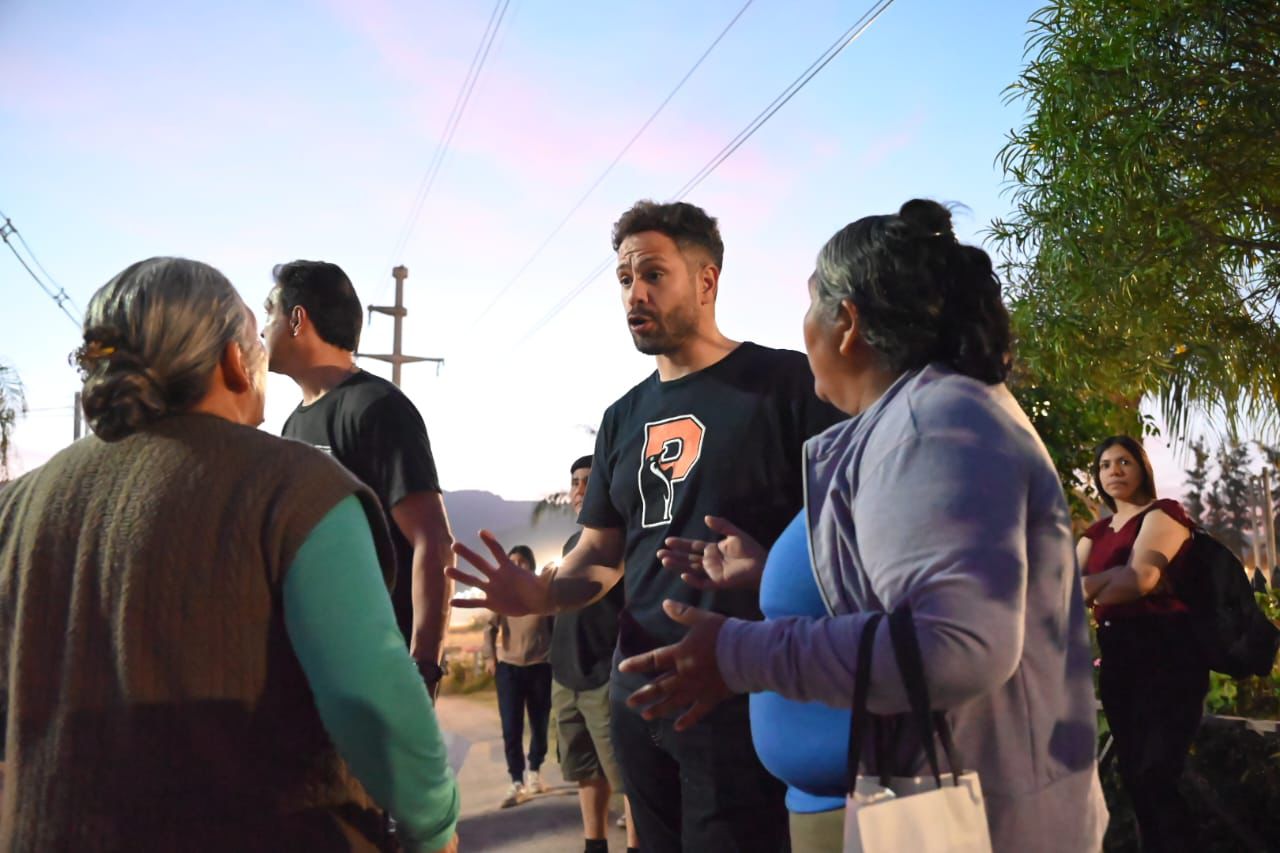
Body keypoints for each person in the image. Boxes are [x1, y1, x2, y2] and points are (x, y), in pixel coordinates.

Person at [618, 200, 1108, 852]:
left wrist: (740, 654)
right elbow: (905, 587)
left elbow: (958, 646)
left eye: (810, 301)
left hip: (969, 823)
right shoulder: (910, 422)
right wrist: (770, 573)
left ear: (846, 322)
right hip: (905, 808)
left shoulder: (934, 423)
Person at [0, 258, 458, 852]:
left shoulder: (20, 504)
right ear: (232, 362)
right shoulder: (297, 488)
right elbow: (372, 700)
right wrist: (435, 825)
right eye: (253, 333)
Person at [451, 200, 844, 851]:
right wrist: (546, 592)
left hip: (741, 697)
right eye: (625, 279)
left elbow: (842, 535)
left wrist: (770, 563)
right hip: (636, 702)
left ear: (707, 280)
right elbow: (603, 551)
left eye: (653, 274)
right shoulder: (621, 417)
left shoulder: (786, 385)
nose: (634, 293)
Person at [263, 261, 455, 694]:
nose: (261, 330)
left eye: (269, 312)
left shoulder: (377, 407)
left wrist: (424, 667)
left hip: (376, 673)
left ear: (297, 320)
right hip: (317, 670)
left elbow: (434, 541)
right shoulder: (293, 426)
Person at [1080, 435, 1206, 852]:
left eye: (1124, 462)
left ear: (1141, 469)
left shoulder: (1163, 514)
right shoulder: (1095, 533)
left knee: (1157, 773)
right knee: (1135, 775)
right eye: (1104, 465)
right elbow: (1059, 588)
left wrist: (1092, 586)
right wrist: (1104, 583)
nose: (1113, 471)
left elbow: (1138, 582)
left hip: (1168, 654)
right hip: (1119, 656)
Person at [549, 455, 637, 853]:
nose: (580, 490)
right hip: (566, 676)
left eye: (588, 482)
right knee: (586, 771)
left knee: (628, 777)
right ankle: (594, 845)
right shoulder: (571, 546)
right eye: (574, 483)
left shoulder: (622, 543)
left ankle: (638, 845)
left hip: (606, 675)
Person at [485, 545, 554, 808]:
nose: (516, 565)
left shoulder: (542, 593)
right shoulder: (503, 595)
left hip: (540, 667)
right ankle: (516, 780)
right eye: (512, 561)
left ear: (531, 565)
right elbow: (488, 629)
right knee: (511, 727)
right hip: (509, 670)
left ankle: (535, 772)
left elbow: (555, 627)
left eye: (522, 561)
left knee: (540, 724)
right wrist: (491, 658)